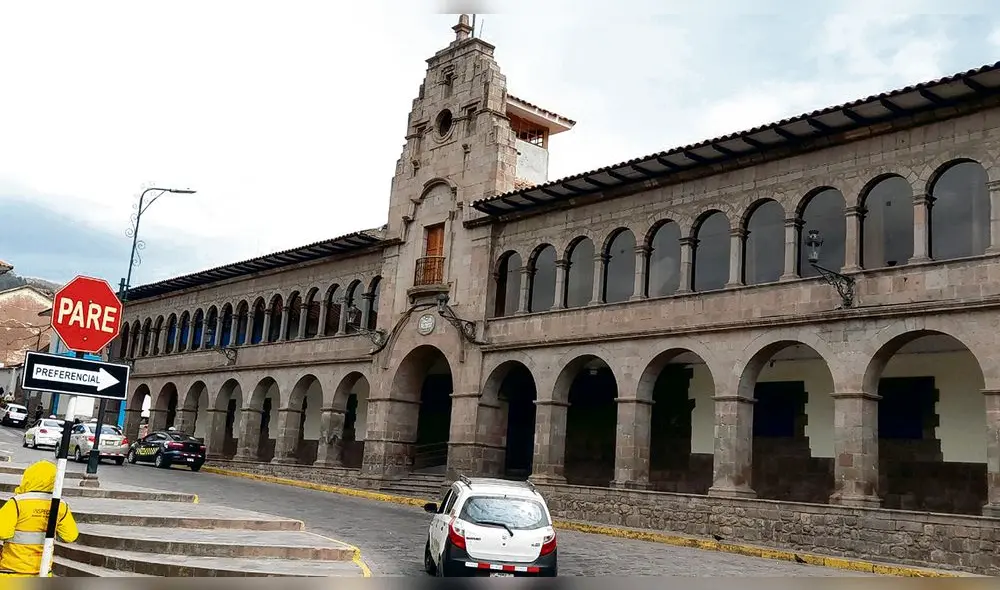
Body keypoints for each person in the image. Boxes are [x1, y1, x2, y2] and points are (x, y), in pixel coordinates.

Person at [0, 460, 79, 576]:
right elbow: (71, 536)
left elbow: (2, 532)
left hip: (13, 571)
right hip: (42, 573)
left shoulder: (17, 503)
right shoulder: (60, 505)